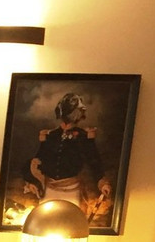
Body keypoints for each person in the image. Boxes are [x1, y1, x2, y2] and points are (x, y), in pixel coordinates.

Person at [23, 92, 112, 222]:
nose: (81, 110)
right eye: (75, 107)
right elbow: (38, 160)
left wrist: (102, 183)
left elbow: (94, 161)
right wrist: (31, 180)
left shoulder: (84, 136)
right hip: (49, 190)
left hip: (72, 191)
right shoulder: (50, 135)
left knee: (70, 224)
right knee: (48, 223)